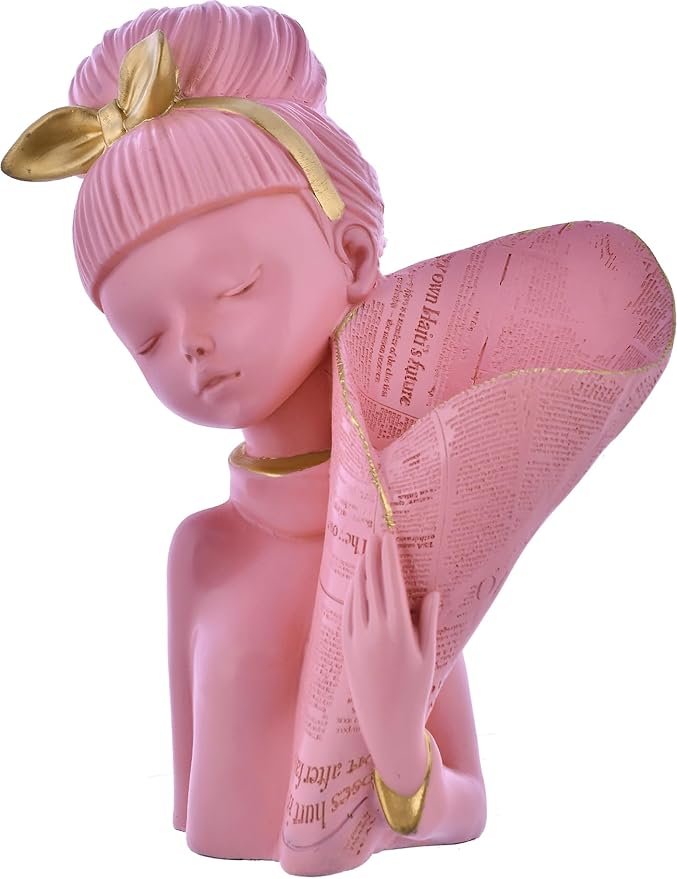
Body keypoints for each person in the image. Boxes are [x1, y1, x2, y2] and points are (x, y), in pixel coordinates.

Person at [2, 3, 673, 875]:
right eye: (147, 337)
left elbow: (466, 804)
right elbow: (185, 804)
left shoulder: (405, 537)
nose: (191, 343)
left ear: (353, 254)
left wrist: (399, 753)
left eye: (233, 285)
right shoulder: (197, 551)